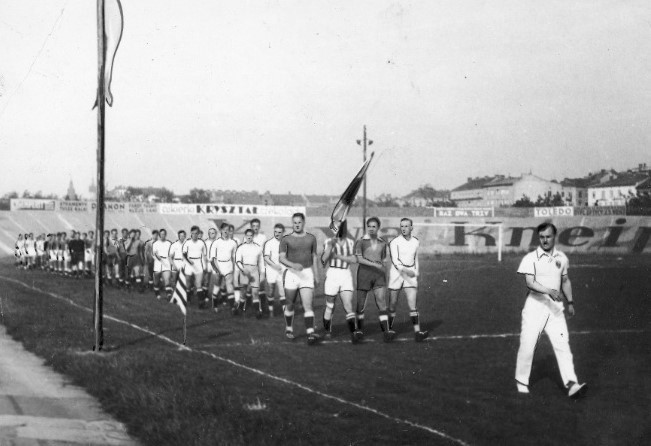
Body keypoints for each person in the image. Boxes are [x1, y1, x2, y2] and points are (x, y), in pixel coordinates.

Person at [515, 222, 587, 398]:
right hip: (534, 307)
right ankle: (521, 381)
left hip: (555, 309)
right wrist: (549, 291)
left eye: (548, 237)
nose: (545, 240)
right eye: (541, 237)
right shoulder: (530, 258)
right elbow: (530, 284)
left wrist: (570, 302)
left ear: (554, 237)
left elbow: (565, 281)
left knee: (563, 345)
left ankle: (571, 383)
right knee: (528, 345)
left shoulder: (562, 258)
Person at [279, 213, 321, 345]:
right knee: (290, 303)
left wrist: (316, 274)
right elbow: (281, 258)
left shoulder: (311, 238)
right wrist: (293, 265)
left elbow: (314, 257)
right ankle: (289, 328)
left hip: (307, 273)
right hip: (292, 274)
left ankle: (310, 333)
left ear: (304, 223)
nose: (297, 224)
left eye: (299, 222)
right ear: (292, 223)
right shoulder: (286, 239)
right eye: (295, 222)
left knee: (308, 305)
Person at [388, 218, 429, 342]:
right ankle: (388, 330)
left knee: (412, 304)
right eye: (402, 226)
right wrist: (407, 271)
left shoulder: (416, 241)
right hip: (397, 274)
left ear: (412, 227)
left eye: (406, 226)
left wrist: (415, 273)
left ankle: (417, 332)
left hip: (410, 275)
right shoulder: (394, 242)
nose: (404, 228)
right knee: (393, 304)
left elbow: (416, 259)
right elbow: (395, 261)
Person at [321, 220, 362, 343]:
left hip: (345, 274)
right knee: (330, 305)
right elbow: (323, 260)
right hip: (332, 274)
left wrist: (340, 257)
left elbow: (355, 259)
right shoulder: (328, 241)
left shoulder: (351, 242)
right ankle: (327, 331)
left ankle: (353, 333)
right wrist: (330, 246)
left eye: (341, 227)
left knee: (348, 304)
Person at [355, 217, 393, 342]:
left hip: (378, 276)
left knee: (381, 301)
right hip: (364, 274)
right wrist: (375, 264)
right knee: (360, 304)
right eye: (369, 226)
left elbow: (383, 261)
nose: (371, 228)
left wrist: (385, 272)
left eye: (374, 226)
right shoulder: (360, 242)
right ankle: (359, 330)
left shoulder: (382, 242)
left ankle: (386, 331)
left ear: (378, 228)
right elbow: (359, 259)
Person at [234, 229, 265, 318]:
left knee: (255, 292)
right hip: (244, 270)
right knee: (243, 292)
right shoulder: (241, 248)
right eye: (247, 235)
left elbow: (261, 262)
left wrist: (262, 273)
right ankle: (240, 308)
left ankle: (257, 311)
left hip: (254, 271)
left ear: (253, 236)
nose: (249, 237)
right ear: (245, 236)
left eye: (251, 235)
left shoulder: (258, 248)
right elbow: (238, 261)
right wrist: (243, 269)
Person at [210, 223, 238, 309]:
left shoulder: (233, 243)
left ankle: (233, 308)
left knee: (229, 285)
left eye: (228, 230)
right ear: (221, 230)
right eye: (224, 229)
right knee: (217, 286)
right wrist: (217, 269)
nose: (226, 231)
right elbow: (212, 258)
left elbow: (234, 257)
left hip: (228, 265)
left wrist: (234, 268)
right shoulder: (216, 242)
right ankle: (214, 305)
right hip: (218, 265)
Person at [263, 223, 286, 316]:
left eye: (279, 232)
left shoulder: (286, 243)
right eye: (275, 232)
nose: (277, 234)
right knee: (271, 290)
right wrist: (275, 266)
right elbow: (266, 258)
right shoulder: (269, 243)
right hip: (271, 269)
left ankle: (285, 312)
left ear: (283, 232)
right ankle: (271, 310)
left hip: (282, 269)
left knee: (282, 290)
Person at [183, 226, 208, 308]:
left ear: (198, 234)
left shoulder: (201, 243)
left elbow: (204, 256)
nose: (194, 235)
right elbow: (184, 254)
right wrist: (189, 261)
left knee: (198, 283)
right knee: (188, 284)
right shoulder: (187, 242)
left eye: (196, 233)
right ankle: (188, 299)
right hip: (189, 264)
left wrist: (205, 266)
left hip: (198, 263)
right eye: (193, 233)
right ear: (191, 233)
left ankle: (201, 302)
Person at [152, 228, 173, 300]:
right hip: (158, 263)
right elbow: (154, 254)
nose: (162, 235)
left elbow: (171, 254)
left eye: (164, 234)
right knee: (156, 281)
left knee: (167, 279)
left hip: (166, 263)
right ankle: (157, 294)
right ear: (159, 235)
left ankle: (169, 295)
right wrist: (159, 258)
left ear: (165, 235)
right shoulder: (155, 244)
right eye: (161, 234)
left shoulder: (169, 243)